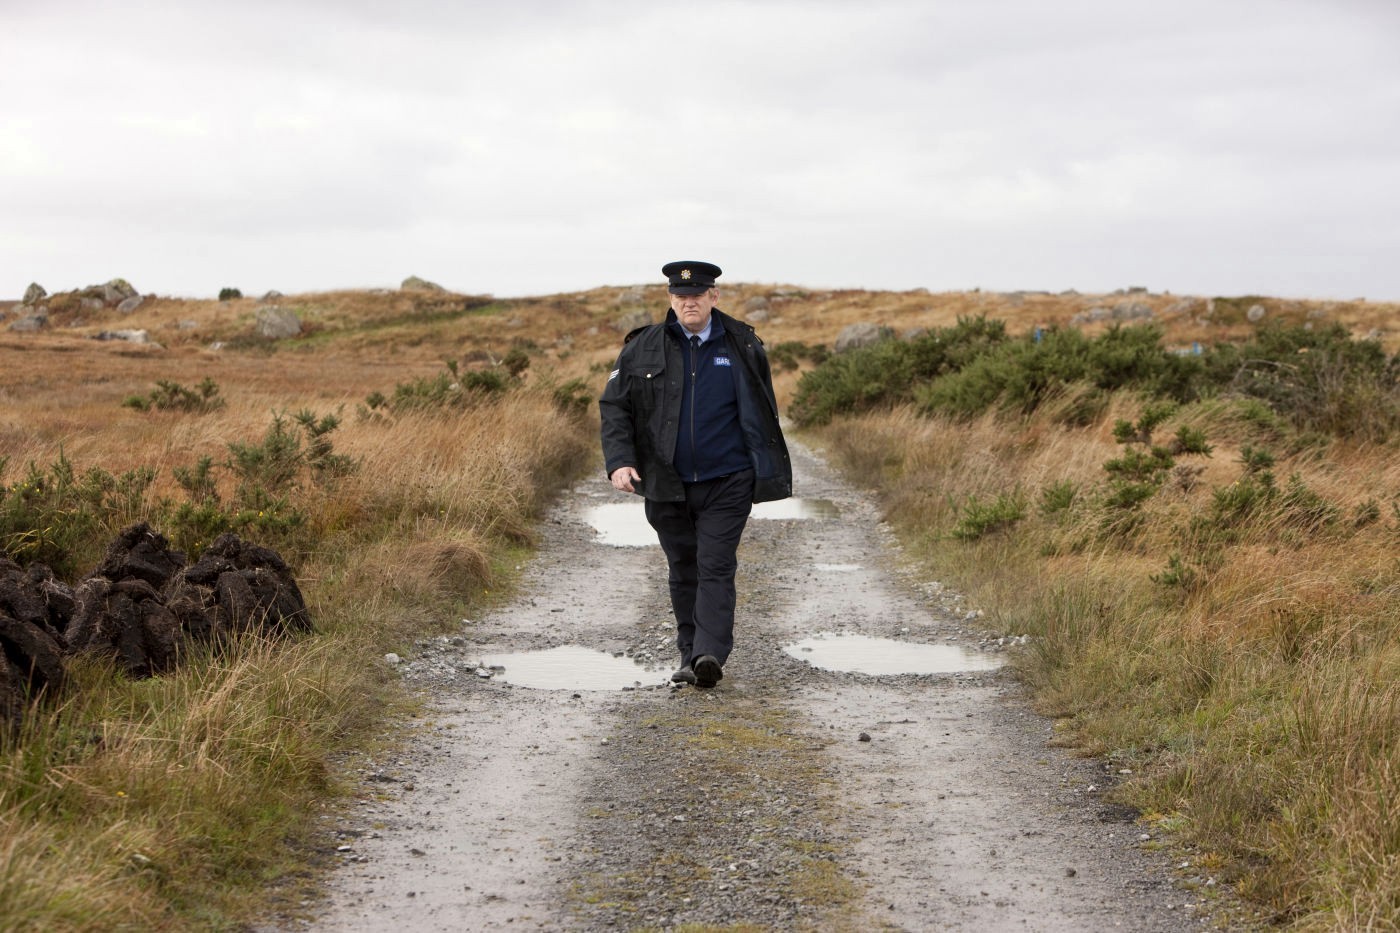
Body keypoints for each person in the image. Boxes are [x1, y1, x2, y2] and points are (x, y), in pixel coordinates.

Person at [599, 260, 792, 688]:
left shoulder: (741, 343)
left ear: (713, 297)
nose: (690, 302)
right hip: (666, 482)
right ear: (671, 299)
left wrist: (763, 466)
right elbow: (615, 407)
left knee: (715, 564)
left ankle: (709, 653)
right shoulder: (641, 347)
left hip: (729, 479)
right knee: (684, 565)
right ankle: (689, 654)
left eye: (698, 295)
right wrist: (620, 461)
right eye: (681, 296)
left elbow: (763, 406)